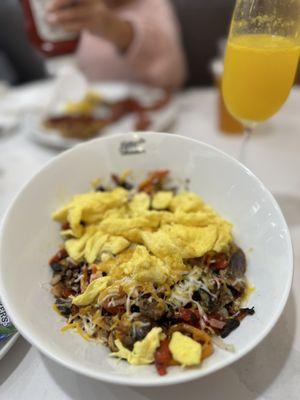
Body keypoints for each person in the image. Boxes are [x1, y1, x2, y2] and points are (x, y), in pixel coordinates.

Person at [46, 0, 187, 89]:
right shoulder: (70, 10)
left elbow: (173, 77)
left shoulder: (152, 4)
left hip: (152, 115)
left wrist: (115, 29)